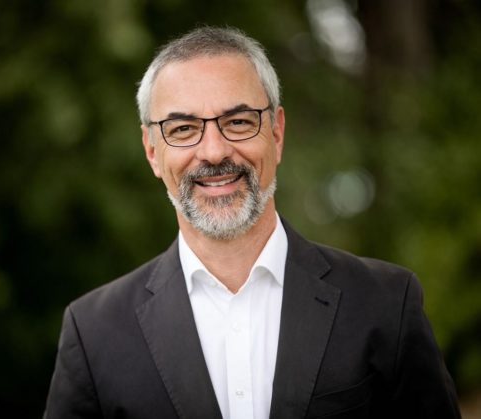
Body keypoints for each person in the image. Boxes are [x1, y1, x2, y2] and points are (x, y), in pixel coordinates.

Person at [43, 26, 461, 419]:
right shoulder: (93, 333)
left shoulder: (386, 303)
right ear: (152, 151)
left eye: (238, 122)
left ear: (276, 133)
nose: (213, 151)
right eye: (183, 128)